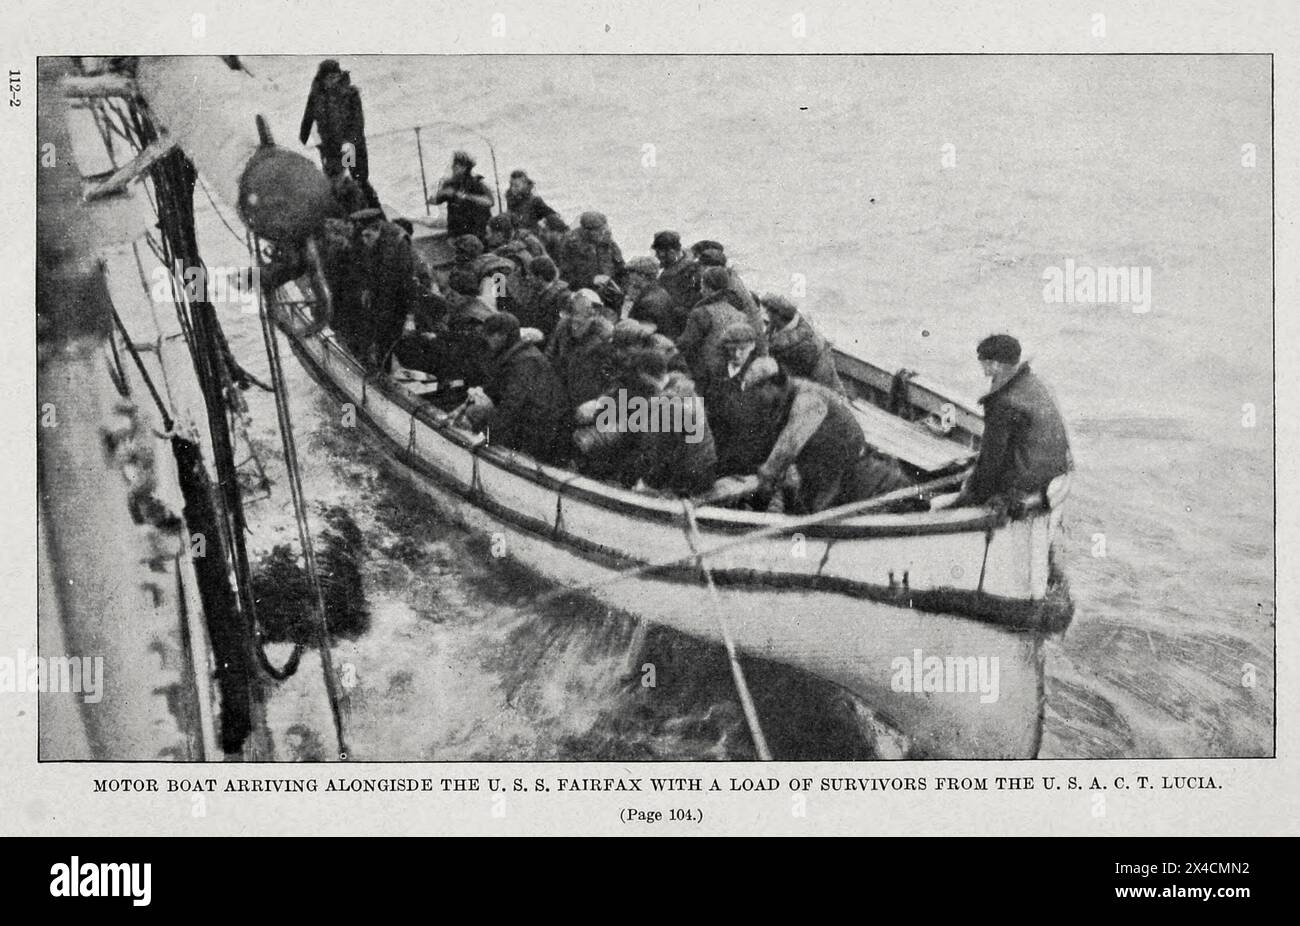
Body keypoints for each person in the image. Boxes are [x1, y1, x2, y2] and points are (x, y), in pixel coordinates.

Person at [949, 334, 1072, 509]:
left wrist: (972, 495)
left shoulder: (1002, 403)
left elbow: (993, 456)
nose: (982, 367)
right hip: (1054, 472)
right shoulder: (1031, 380)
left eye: (983, 362)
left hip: (1026, 483)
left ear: (995, 364)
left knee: (971, 490)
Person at [744, 358, 868, 514]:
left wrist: (764, 484)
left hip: (842, 455)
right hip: (816, 452)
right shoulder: (782, 397)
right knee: (790, 484)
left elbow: (787, 448)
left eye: (755, 392)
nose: (755, 399)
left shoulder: (807, 400)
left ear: (769, 386)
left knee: (813, 511)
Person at [466, 312, 568, 464]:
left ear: (502, 336)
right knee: (475, 411)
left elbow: (513, 404)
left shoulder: (525, 362)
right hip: (530, 418)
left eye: (491, 335)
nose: (487, 339)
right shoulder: (514, 354)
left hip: (539, 427)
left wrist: (487, 435)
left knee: (476, 415)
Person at [298, 59, 379, 208]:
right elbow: (307, 119)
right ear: (322, 79)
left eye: (335, 77)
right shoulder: (316, 97)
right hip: (330, 149)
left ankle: (376, 214)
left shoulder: (350, 94)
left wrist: (348, 144)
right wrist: (301, 142)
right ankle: (345, 217)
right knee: (335, 185)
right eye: (328, 78)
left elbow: (357, 123)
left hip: (351, 147)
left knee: (358, 182)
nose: (332, 82)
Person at [705, 322, 776, 478]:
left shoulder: (760, 373)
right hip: (713, 439)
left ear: (752, 346)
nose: (736, 354)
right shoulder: (715, 369)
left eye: (742, 350)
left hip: (739, 450)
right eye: (731, 349)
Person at [351, 207, 416, 370]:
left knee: (396, 339)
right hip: (382, 294)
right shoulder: (372, 238)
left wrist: (410, 317)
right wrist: (367, 288)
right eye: (363, 236)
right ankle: (381, 368)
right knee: (379, 335)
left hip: (400, 297)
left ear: (377, 228)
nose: (365, 241)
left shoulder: (398, 242)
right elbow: (368, 267)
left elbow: (407, 281)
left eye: (368, 236)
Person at [675, 266, 749, 390]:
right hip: (732, 373)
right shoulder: (741, 315)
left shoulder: (701, 312)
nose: (701, 290)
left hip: (705, 375)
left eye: (702, 286)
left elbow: (686, 343)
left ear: (708, 288)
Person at [546, 289, 616, 411]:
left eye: (581, 315)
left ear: (595, 315)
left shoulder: (607, 336)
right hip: (561, 394)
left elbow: (613, 378)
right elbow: (550, 356)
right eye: (572, 313)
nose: (574, 320)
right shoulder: (563, 326)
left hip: (588, 403)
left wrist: (597, 404)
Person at [761, 294, 845, 394]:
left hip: (819, 393)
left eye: (768, 311)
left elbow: (786, 379)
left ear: (778, 315)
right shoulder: (782, 324)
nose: (766, 313)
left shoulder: (802, 345)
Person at [693, 243, 764, 346]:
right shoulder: (728, 276)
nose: (700, 270)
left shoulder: (729, 287)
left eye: (703, 266)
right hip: (749, 325)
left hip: (747, 334)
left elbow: (724, 314)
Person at [431, 151, 494, 241]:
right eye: (453, 166)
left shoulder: (476, 183)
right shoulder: (449, 184)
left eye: (456, 166)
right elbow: (433, 201)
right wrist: (443, 192)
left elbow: (489, 201)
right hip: (456, 231)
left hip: (476, 231)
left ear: (464, 168)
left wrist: (466, 196)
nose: (453, 168)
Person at [557, 212, 626, 291]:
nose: (603, 234)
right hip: (583, 292)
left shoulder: (608, 243)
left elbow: (621, 269)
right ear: (586, 231)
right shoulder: (570, 246)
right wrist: (592, 280)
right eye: (599, 231)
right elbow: (565, 278)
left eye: (604, 229)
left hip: (609, 290)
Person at [513, 255, 570, 341]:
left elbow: (558, 332)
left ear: (540, 278)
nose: (527, 278)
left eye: (530, 275)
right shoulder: (535, 293)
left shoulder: (561, 298)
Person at [624, 256, 680, 335]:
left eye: (631, 273)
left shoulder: (647, 302)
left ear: (642, 276)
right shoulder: (661, 292)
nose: (629, 277)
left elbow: (641, 332)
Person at [651, 230, 699, 318]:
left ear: (672, 252)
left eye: (659, 253)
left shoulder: (691, 271)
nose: (657, 257)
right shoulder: (669, 269)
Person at [505, 170, 566, 234]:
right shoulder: (511, 201)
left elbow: (552, 216)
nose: (513, 188)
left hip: (531, 236)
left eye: (516, 186)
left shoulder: (535, 201)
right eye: (511, 185)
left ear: (525, 185)